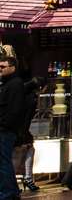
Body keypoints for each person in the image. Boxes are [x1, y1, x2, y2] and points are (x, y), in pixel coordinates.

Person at [0, 55, 24, 199]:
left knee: (3, 162)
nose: (0, 69)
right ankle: (12, 192)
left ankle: (7, 193)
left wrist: (4, 125)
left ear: (12, 68)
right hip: (5, 129)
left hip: (5, 131)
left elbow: (14, 110)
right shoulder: (7, 83)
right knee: (4, 162)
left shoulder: (15, 84)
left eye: (3, 66)